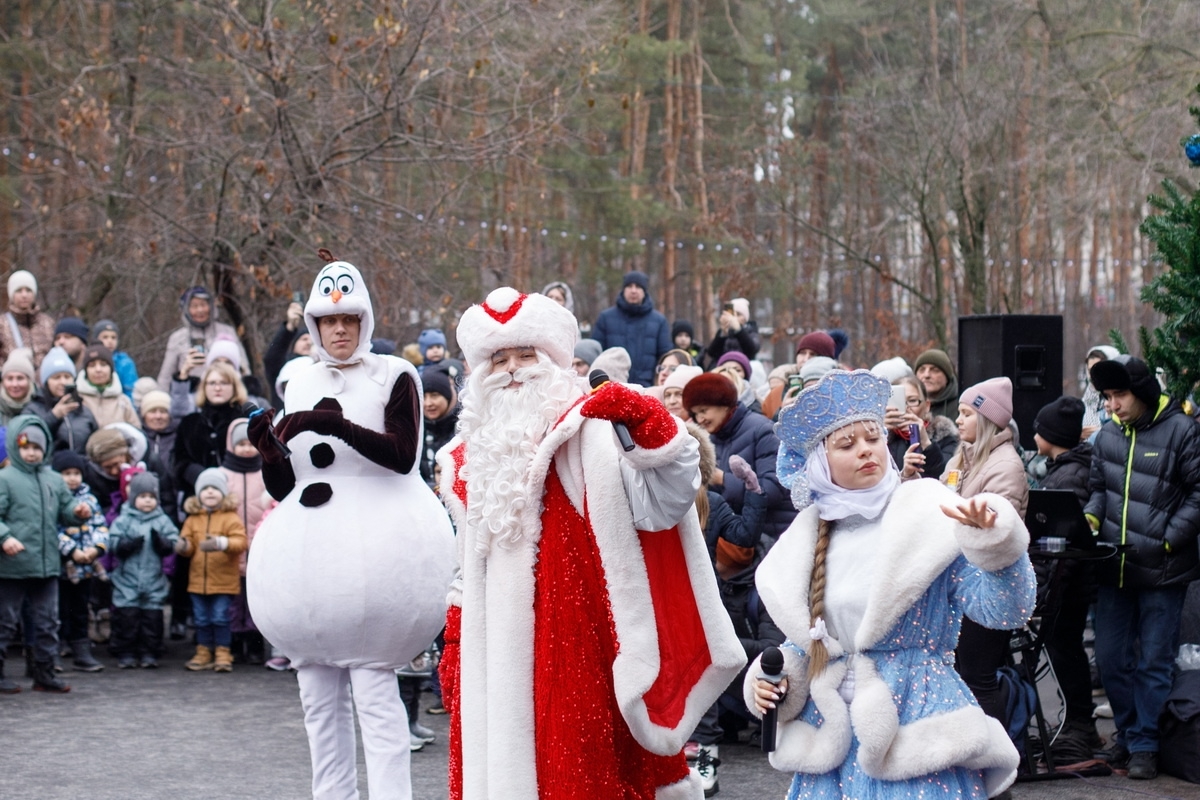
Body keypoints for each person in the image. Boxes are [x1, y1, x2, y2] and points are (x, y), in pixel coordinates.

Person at [434, 286, 744, 799]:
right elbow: (467, 565)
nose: (513, 369)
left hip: (583, 655)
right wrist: (454, 637)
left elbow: (665, 504)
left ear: (555, 360)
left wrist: (649, 425)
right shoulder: (467, 459)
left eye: (526, 355)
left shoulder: (591, 432)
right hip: (492, 666)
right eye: (499, 359)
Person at [747, 370, 1037, 799]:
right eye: (846, 445)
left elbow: (1005, 611)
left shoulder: (930, 514)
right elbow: (813, 642)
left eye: (873, 438)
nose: (866, 451)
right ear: (819, 464)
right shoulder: (806, 541)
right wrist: (777, 679)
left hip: (919, 728)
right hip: (832, 742)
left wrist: (994, 548)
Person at [247, 259, 456, 800]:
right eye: (327, 321)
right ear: (314, 326)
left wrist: (330, 423)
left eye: (349, 319)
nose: (339, 330)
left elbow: (402, 456)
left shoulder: (394, 374)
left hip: (376, 568)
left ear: (364, 319)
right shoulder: (300, 380)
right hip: (309, 572)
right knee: (317, 702)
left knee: (375, 697)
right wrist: (268, 447)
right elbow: (284, 482)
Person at [1084, 355, 1200, 780]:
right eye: (1107, 397)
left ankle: (1146, 745)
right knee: (1112, 659)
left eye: (1119, 395)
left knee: (1154, 659)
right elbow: (1098, 489)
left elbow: (1198, 493)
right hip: (1114, 568)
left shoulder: (1182, 430)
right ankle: (1131, 735)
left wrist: (1167, 539)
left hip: (1164, 571)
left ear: (1143, 393)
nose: (1112, 405)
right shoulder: (1109, 437)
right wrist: (1091, 520)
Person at [684, 424, 775, 796]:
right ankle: (673, 753)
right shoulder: (653, 502)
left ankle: (704, 752)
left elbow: (743, 536)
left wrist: (754, 493)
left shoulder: (712, 503)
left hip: (704, 603)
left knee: (702, 676)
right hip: (665, 603)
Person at [939, 377, 1029, 736]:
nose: (958, 421)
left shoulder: (1006, 467)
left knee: (978, 678)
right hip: (962, 581)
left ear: (988, 420)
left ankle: (996, 771)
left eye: (966, 414)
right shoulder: (963, 455)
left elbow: (998, 533)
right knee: (963, 675)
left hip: (991, 587)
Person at [1029, 395, 1103, 754]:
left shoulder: (1071, 472)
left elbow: (1065, 537)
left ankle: (1080, 725)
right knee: (1064, 651)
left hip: (1068, 585)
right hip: (1068, 582)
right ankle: (1078, 723)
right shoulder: (1065, 467)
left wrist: (1049, 591)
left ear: (1051, 435)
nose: (1033, 435)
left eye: (1038, 430)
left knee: (1066, 653)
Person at [0, 416, 93, 693]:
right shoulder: (5, 479)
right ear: (15, 447)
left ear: (46, 448)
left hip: (46, 564)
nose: (31, 453)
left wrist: (78, 513)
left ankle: (44, 672)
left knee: (48, 621)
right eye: (26, 447)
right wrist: (5, 538)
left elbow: (66, 509)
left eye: (37, 448)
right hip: (11, 565)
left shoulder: (53, 479)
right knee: (4, 620)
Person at [683, 372, 793, 541]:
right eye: (695, 414)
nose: (700, 418)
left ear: (724, 404)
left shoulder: (762, 430)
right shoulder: (712, 438)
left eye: (704, 410)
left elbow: (773, 489)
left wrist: (723, 480)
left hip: (774, 535)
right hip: (739, 534)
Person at [174, 467, 247, 672]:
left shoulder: (230, 517)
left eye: (214, 488)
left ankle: (223, 652)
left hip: (223, 582)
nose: (209, 492)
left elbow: (241, 542)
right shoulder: (192, 518)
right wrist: (183, 546)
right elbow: (187, 543)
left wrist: (221, 543)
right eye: (205, 488)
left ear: (223, 492)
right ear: (198, 494)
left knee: (220, 617)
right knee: (201, 619)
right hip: (198, 581)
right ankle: (204, 651)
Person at [107, 470, 179, 669]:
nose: (147, 501)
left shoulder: (162, 520)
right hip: (127, 579)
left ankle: (150, 653)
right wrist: (124, 545)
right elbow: (111, 541)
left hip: (153, 579)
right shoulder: (123, 519)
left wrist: (163, 544)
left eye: (151, 497)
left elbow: (174, 540)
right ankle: (127, 653)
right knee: (127, 619)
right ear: (133, 498)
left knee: (152, 620)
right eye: (142, 497)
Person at [51, 449, 108, 673]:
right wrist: (71, 550)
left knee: (80, 608)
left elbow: (100, 525)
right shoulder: (53, 498)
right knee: (58, 610)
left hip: (85, 566)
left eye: (76, 473)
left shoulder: (90, 499)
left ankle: (81, 649)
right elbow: (52, 529)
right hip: (61, 565)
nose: (72, 478)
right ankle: (54, 650)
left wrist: (96, 548)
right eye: (66, 473)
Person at [219, 419, 267, 665]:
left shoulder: (265, 471)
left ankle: (256, 642)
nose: (246, 449)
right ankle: (235, 640)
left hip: (259, 545)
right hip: (232, 548)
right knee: (234, 600)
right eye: (240, 444)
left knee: (256, 598)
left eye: (250, 443)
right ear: (231, 446)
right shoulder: (223, 475)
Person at [172, 361, 249, 499]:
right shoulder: (189, 422)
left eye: (224, 383)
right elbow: (179, 462)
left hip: (240, 496)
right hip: (198, 498)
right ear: (204, 387)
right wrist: (202, 476)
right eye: (212, 383)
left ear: (234, 387)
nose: (217, 388)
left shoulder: (246, 420)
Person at [156, 286, 250, 389]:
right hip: (190, 396)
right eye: (194, 306)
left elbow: (244, 367)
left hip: (225, 392)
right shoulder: (178, 338)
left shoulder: (227, 332)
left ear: (211, 306)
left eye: (203, 305)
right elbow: (165, 377)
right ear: (186, 310)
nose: (200, 310)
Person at [592, 270, 671, 386]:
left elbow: (665, 357)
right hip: (612, 385)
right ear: (623, 289)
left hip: (646, 387)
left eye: (638, 287)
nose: (633, 290)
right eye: (629, 286)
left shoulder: (659, 321)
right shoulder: (606, 318)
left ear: (644, 291)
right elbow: (596, 353)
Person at [24, 346, 97, 456]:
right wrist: (54, 416)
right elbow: (27, 439)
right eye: (56, 377)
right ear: (46, 382)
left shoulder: (84, 411)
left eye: (67, 377)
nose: (63, 382)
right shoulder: (32, 409)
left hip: (81, 470)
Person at [884, 376, 946, 480]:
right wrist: (879, 434)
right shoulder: (881, 435)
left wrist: (925, 441)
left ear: (927, 406)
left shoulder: (943, 434)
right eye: (899, 402)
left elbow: (944, 477)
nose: (906, 407)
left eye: (912, 401)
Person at [263, 300, 314, 409]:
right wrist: (289, 327)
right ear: (294, 344)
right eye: (304, 339)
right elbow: (271, 358)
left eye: (312, 340)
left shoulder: (319, 366)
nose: (308, 343)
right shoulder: (283, 366)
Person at [76, 344, 140, 429]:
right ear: (86, 371)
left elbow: (137, 433)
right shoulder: (77, 400)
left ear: (111, 369)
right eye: (92, 365)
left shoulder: (123, 402)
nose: (98, 370)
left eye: (103, 364)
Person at [0, 271, 56, 368]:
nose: (24, 295)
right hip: (14, 380)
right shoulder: (2, 324)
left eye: (28, 290)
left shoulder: (47, 323)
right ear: (11, 295)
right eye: (19, 291)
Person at [418, 367, 458, 489]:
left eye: (434, 395)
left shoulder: (464, 427)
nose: (428, 403)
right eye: (423, 396)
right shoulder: (417, 429)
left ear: (448, 397)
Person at [704, 297, 760, 366]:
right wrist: (723, 334)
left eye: (738, 314)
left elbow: (752, 350)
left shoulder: (751, 330)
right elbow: (712, 353)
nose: (734, 318)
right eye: (732, 314)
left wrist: (739, 331)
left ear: (745, 319)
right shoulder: (725, 332)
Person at [92, 320, 139, 401]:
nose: (110, 341)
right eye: (105, 337)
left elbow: (131, 391)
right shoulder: (89, 359)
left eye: (113, 337)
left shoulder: (125, 363)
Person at [1080, 345, 1119, 437]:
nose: (1093, 375)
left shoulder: (1122, 398)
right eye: (1090, 370)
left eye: (1098, 369)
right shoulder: (1086, 401)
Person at [914, 349, 960, 422]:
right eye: (922, 370)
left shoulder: (961, 405)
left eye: (934, 370)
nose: (926, 375)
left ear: (947, 377)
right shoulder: (909, 405)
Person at [0, 350, 36, 425]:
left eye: (20, 378)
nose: (15, 384)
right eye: (10, 378)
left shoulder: (41, 404)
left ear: (29, 380)